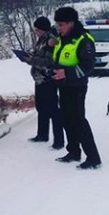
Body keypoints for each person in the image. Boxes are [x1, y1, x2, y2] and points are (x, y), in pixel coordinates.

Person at [50, 7, 102, 169]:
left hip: (77, 87)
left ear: (71, 23)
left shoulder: (84, 39)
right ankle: (74, 151)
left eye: (61, 25)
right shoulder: (63, 37)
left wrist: (66, 73)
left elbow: (88, 66)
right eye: (57, 24)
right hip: (64, 86)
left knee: (79, 121)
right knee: (66, 119)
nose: (58, 28)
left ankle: (93, 158)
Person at [24, 16, 65, 149]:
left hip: (49, 79)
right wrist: (28, 57)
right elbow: (38, 54)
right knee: (41, 108)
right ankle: (42, 134)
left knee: (53, 110)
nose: (35, 32)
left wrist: (32, 60)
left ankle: (59, 141)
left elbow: (49, 63)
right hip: (39, 79)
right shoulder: (41, 40)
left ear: (43, 29)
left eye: (37, 29)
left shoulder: (52, 41)